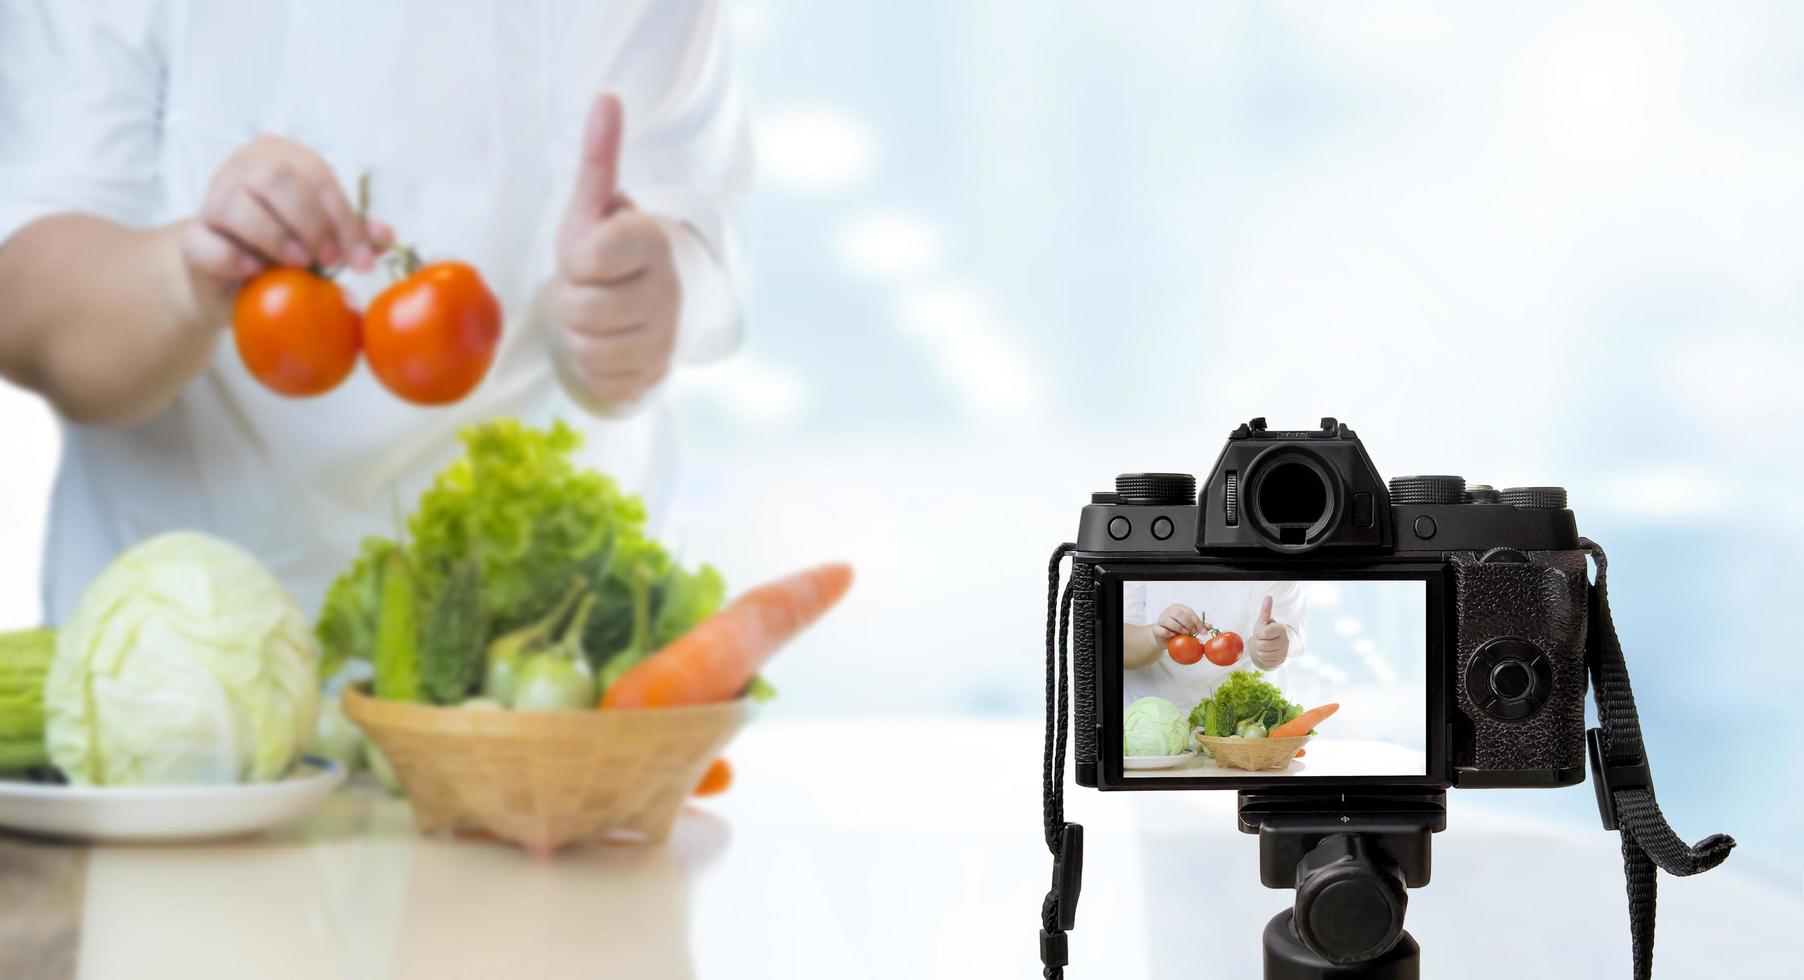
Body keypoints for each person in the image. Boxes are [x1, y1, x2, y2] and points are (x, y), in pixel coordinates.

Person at [0, 1, 750, 623]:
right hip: (186, 676)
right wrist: (184, 277)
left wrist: (636, 304)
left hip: (527, 671)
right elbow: (31, 318)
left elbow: (682, 228)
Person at [1121, 579, 1307, 711]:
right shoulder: (1139, 546)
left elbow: (1279, 631)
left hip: (1242, 730)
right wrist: (1157, 636)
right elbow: (1121, 650)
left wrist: (1268, 647)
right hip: (1154, 729)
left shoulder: (1269, 548)